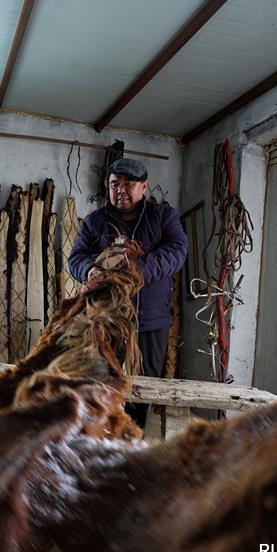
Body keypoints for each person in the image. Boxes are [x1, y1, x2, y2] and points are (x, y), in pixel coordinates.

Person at [68, 158, 188, 426]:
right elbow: (75, 257)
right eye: (114, 184)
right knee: (98, 381)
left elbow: (176, 252)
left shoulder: (163, 217)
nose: (120, 190)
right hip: (106, 320)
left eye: (128, 184)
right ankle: (98, 438)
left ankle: (132, 435)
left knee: (141, 389)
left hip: (149, 323)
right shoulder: (95, 221)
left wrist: (137, 272)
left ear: (143, 186)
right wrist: (89, 270)